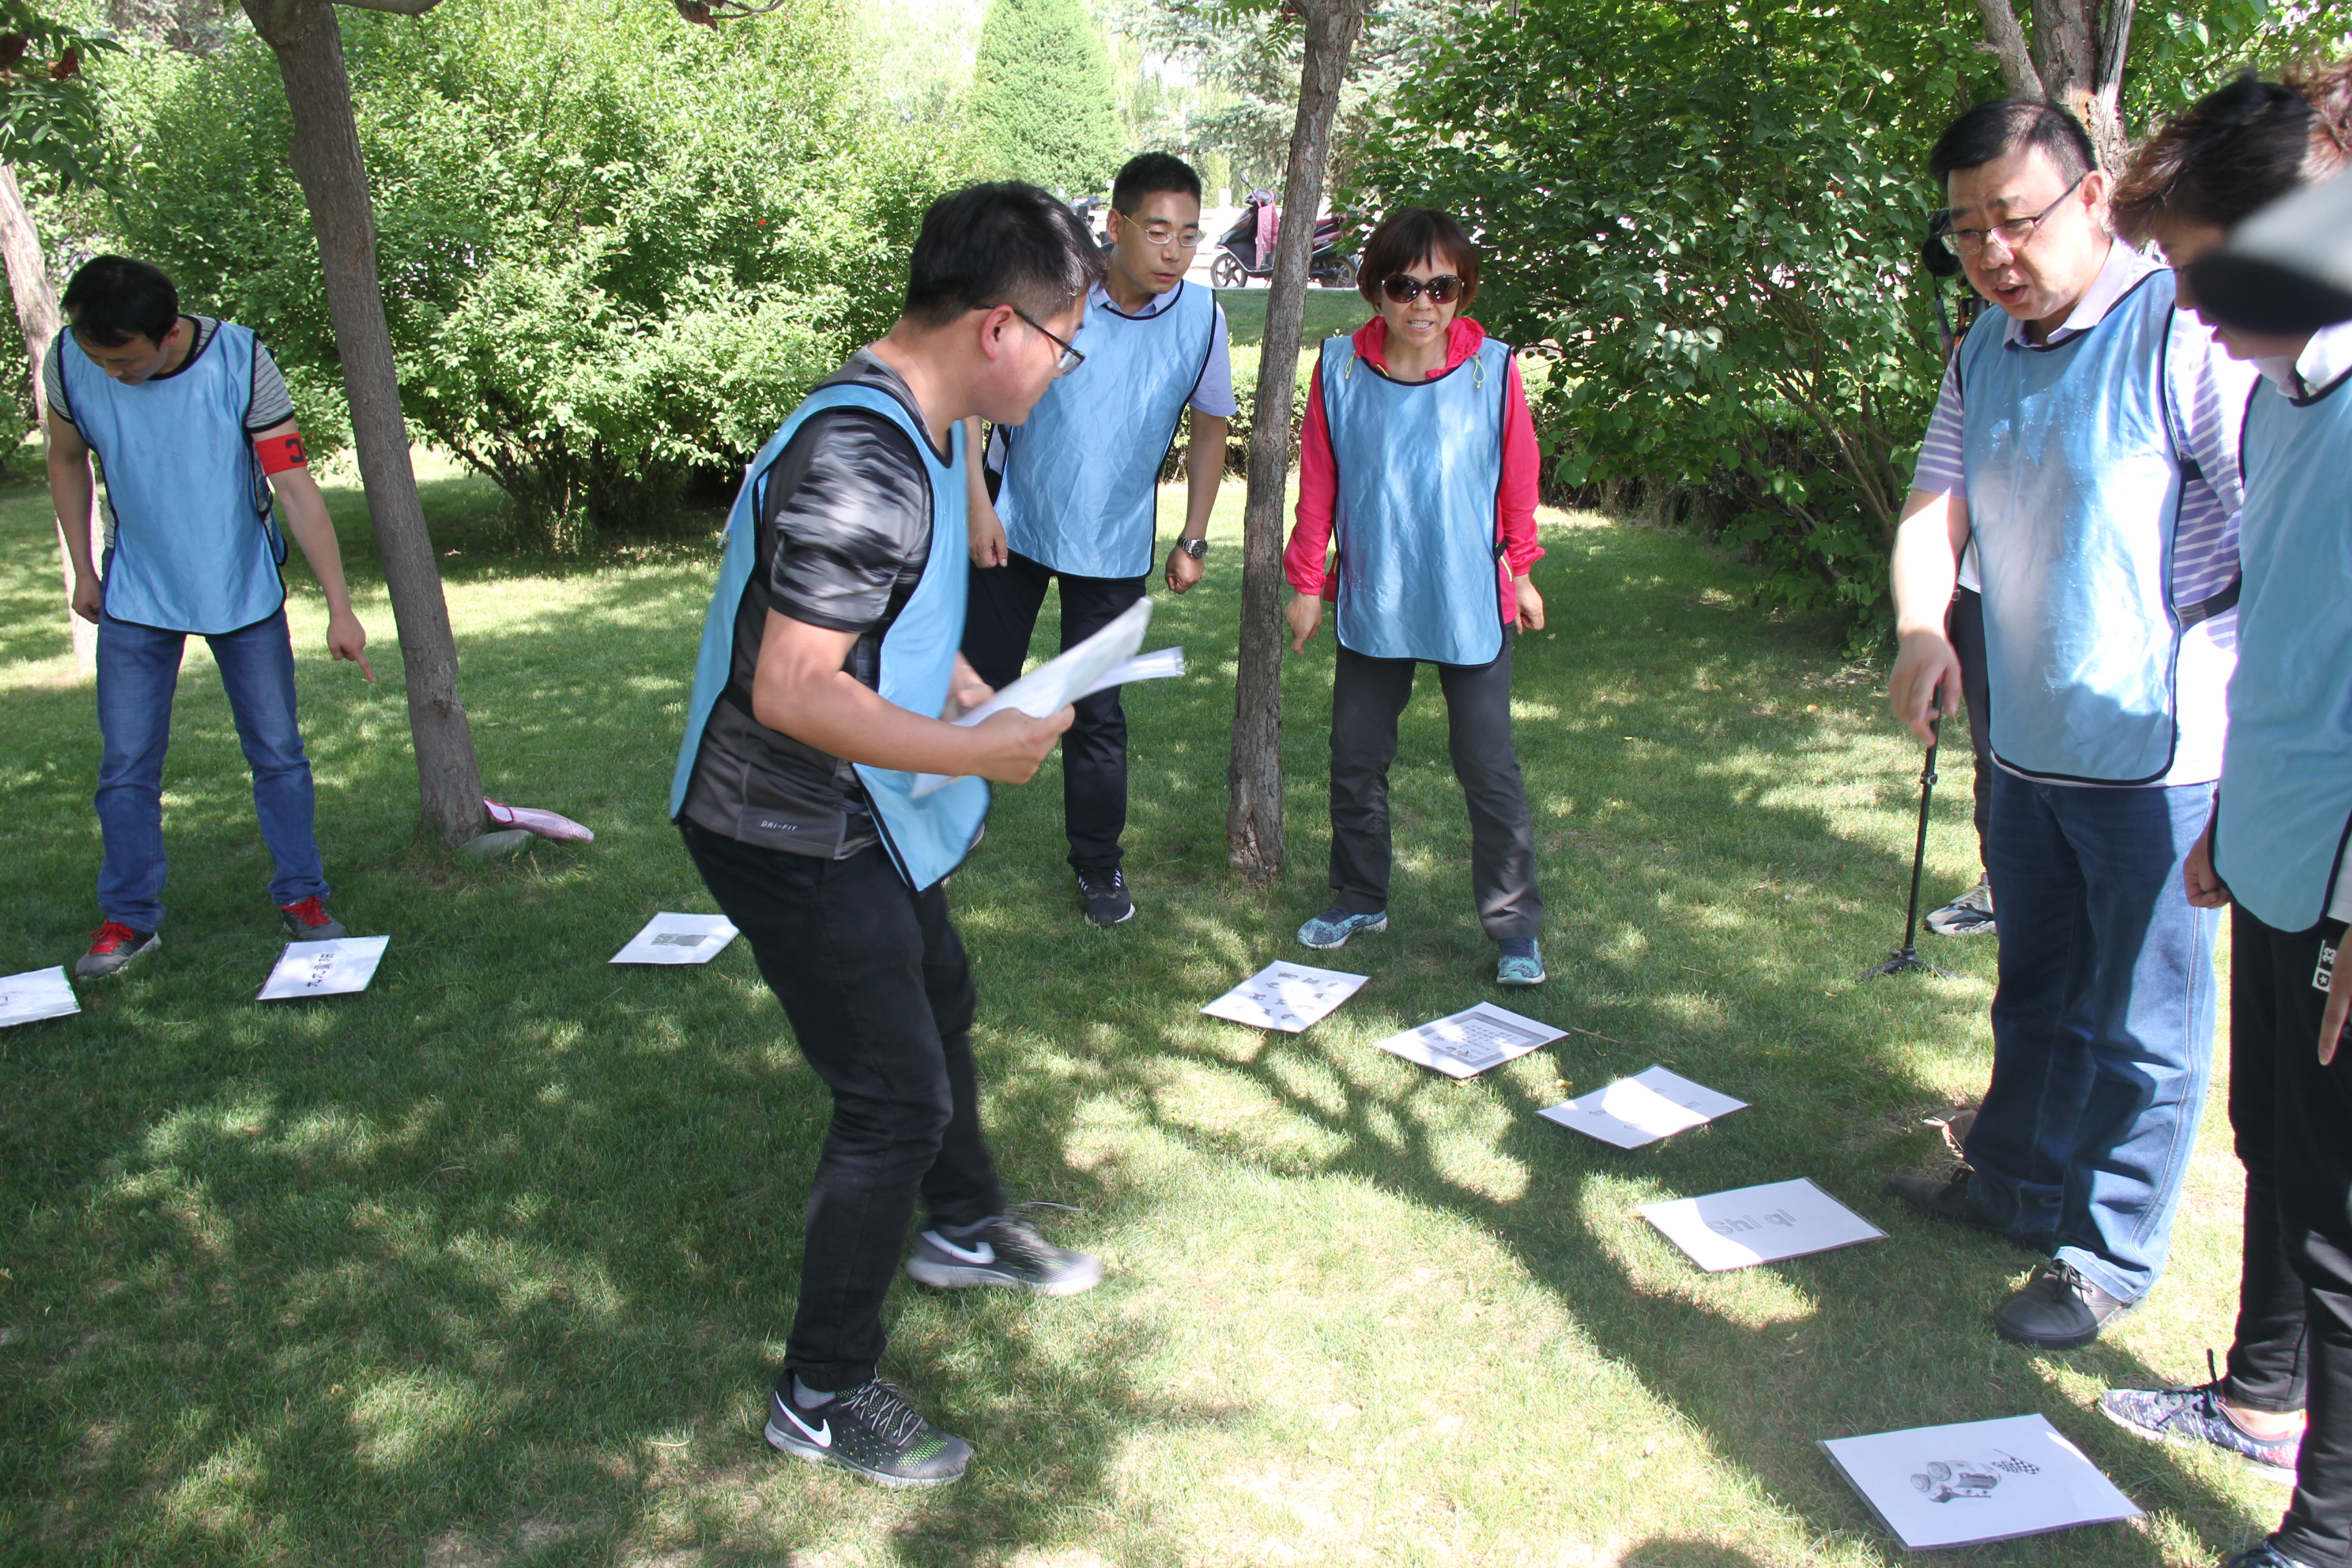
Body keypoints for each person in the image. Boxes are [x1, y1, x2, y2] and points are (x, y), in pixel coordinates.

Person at [670, 182, 1100, 1488]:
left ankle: (963, 1224)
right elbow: (793, 687)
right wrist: (979, 749)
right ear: (997, 327)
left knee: (940, 989)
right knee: (894, 1093)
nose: (1064, 367)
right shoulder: (865, 458)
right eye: (1065, 340)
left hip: (849, 804)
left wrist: (961, 684)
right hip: (781, 819)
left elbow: (881, 620)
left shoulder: (921, 419)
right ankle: (822, 1390)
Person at [1880, 101, 2259, 1348]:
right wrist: (1923, 628)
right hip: (2028, 741)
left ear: (2092, 198)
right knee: (2035, 986)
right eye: (1965, 229)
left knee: (2144, 1022)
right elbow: (1935, 503)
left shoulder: (2182, 328)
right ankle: (2014, 1182)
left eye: (2013, 218)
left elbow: (2272, 529)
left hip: (2163, 755)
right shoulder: (1983, 348)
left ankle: (2105, 1254)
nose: (1991, 251)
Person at [2082, 67, 2352, 1567]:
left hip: (2343, 888)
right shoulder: (2287, 402)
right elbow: (2292, 646)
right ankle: (2259, 1394)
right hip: (2276, 849)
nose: (2189, 306)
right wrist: (2235, 822)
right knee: (2275, 1143)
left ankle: (2325, 1534)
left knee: (2338, 1209)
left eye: (2204, 271)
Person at [50, 256, 373, 979]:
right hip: (138, 588)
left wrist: (341, 609)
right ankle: (129, 919)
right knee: (126, 764)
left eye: (123, 360)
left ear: (168, 334)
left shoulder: (241, 359)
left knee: (278, 752)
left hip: (239, 583)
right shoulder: (70, 362)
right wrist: (85, 568)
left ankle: (303, 897)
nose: (109, 372)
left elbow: (293, 483)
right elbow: (66, 458)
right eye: (98, 358)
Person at [962, 152, 1237, 927]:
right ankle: (948, 821)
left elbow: (1210, 433)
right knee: (979, 684)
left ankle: (1098, 864)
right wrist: (979, 505)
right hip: (1014, 522)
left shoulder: (1203, 318)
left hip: (1114, 543)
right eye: (1158, 231)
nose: (1175, 251)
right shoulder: (1054, 289)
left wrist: (1193, 539)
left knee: (1097, 712)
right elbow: (973, 394)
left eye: (1189, 234)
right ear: (1115, 226)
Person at [1281, 207, 1548, 987]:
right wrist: (1306, 584)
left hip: (1469, 598)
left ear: (1463, 291)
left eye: (1442, 287)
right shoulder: (1338, 370)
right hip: (1376, 593)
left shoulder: (1493, 370)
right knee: (1356, 758)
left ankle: (1515, 931)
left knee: (1487, 766)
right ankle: (1359, 897)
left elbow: (1518, 480)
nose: (1423, 303)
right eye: (1404, 286)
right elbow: (1318, 487)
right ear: (1376, 289)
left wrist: (1523, 571)